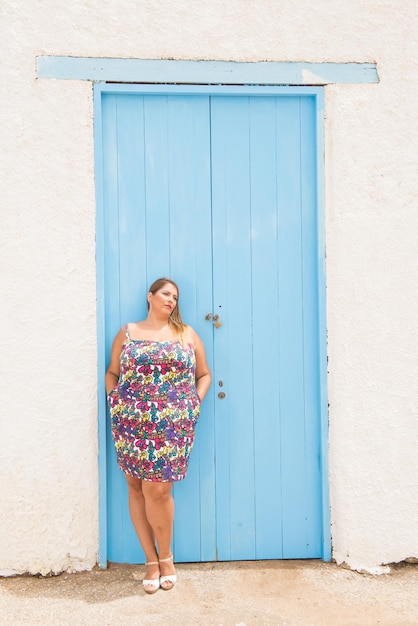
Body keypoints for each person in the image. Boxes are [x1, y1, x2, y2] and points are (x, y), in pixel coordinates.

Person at [105, 278, 211, 594]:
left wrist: (193, 403)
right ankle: (151, 561)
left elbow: (204, 375)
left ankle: (166, 557)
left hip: (172, 425)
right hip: (130, 424)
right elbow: (112, 372)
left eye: (176, 297)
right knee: (136, 486)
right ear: (150, 296)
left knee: (159, 489)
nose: (171, 300)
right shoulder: (127, 333)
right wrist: (115, 402)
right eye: (166, 294)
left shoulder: (186, 333)